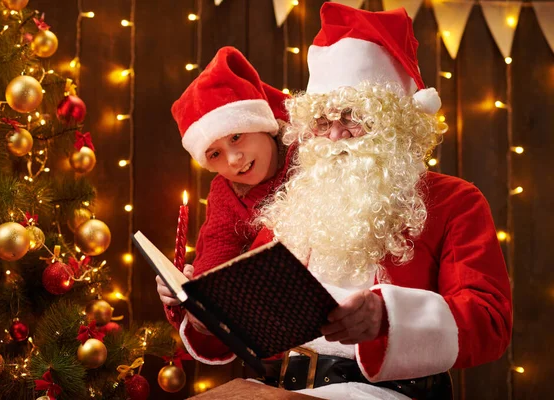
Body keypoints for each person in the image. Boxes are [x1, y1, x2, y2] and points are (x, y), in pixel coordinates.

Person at [179, 4, 513, 399]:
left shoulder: (454, 200)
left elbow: (490, 322)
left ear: (396, 124)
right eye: (322, 121)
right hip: (278, 387)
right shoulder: (297, 201)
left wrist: (388, 318)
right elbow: (247, 327)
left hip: (386, 391)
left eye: (353, 118)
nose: (334, 137)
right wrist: (206, 318)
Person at [158, 46, 295, 332]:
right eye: (215, 154)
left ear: (263, 125)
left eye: (236, 137)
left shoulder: (309, 153)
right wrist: (195, 297)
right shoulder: (224, 192)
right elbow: (217, 250)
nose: (234, 160)